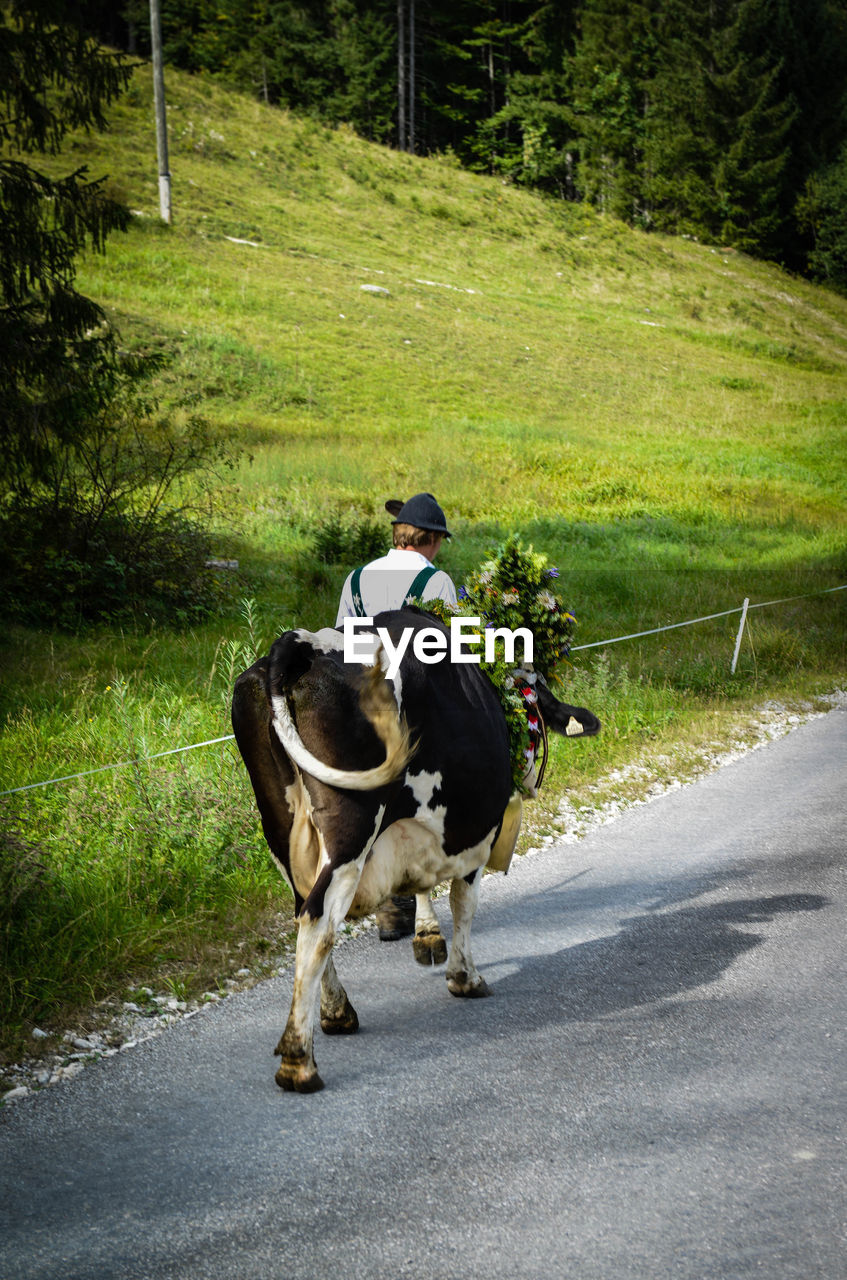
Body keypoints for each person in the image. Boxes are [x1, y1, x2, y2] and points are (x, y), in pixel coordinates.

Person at [335, 492, 457, 941]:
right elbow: (447, 656)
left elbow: (342, 643)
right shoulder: (435, 582)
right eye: (440, 542)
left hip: (359, 703)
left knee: (374, 797)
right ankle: (408, 893)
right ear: (431, 540)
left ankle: (390, 902)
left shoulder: (356, 580)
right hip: (413, 705)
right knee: (416, 800)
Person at [335, 491, 457, 626]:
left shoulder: (355, 578)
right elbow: (449, 642)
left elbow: (341, 639)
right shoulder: (437, 582)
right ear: (434, 538)